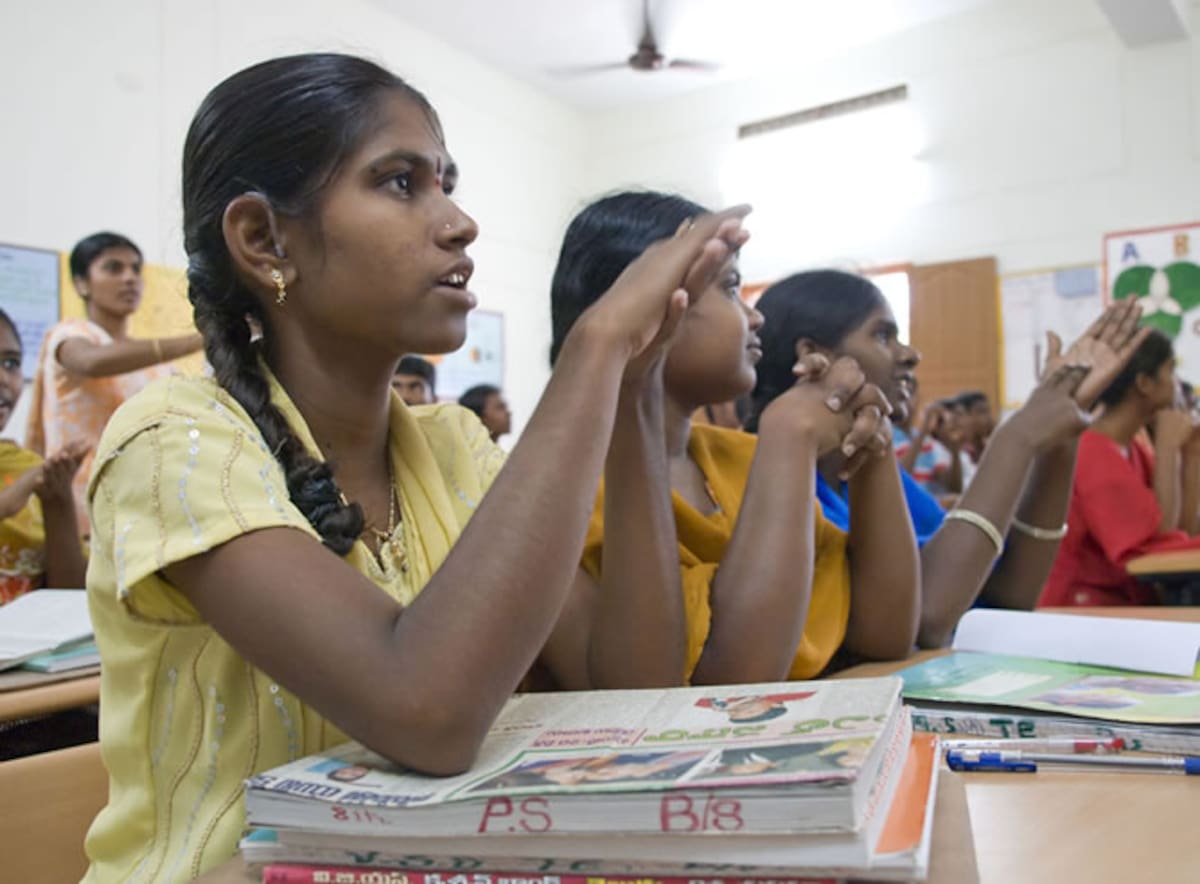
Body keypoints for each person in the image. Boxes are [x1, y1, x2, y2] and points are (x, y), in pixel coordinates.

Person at [81, 54, 750, 882]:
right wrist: (594, 345)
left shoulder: (453, 443)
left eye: (447, 183)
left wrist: (635, 388)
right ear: (263, 239)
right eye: (401, 183)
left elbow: (634, 691)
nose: (460, 222)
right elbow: (425, 712)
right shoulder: (174, 441)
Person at [549, 192, 918, 687]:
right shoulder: (572, 491)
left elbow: (884, 635)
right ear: (649, 303)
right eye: (729, 287)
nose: (755, 317)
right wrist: (789, 436)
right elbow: (733, 684)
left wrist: (870, 444)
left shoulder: (742, 458)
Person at [750, 270, 1148, 648]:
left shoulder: (870, 472)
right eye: (883, 335)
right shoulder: (776, 481)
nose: (910, 355)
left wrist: (1063, 427)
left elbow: (1006, 594)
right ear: (813, 354)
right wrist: (1017, 437)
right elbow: (925, 617)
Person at [25, 232, 205, 537]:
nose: (129, 278)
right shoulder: (70, 335)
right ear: (81, 284)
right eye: (113, 268)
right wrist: (200, 339)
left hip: (148, 509)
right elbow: (90, 362)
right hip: (82, 510)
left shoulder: (157, 365)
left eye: (136, 269)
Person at [1040, 329, 1200, 607]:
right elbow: (1155, 539)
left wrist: (1192, 455)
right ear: (1144, 383)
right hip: (1082, 606)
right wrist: (1167, 449)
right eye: (1170, 370)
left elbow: (1181, 531)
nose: (1177, 383)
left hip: (1123, 600)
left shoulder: (1132, 449)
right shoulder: (1090, 450)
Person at [0, 310, 87, 602]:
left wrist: (56, 501)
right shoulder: (25, 480)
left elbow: (66, 597)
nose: (3, 378)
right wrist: (9, 500)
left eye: (10, 363)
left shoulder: (28, 468)